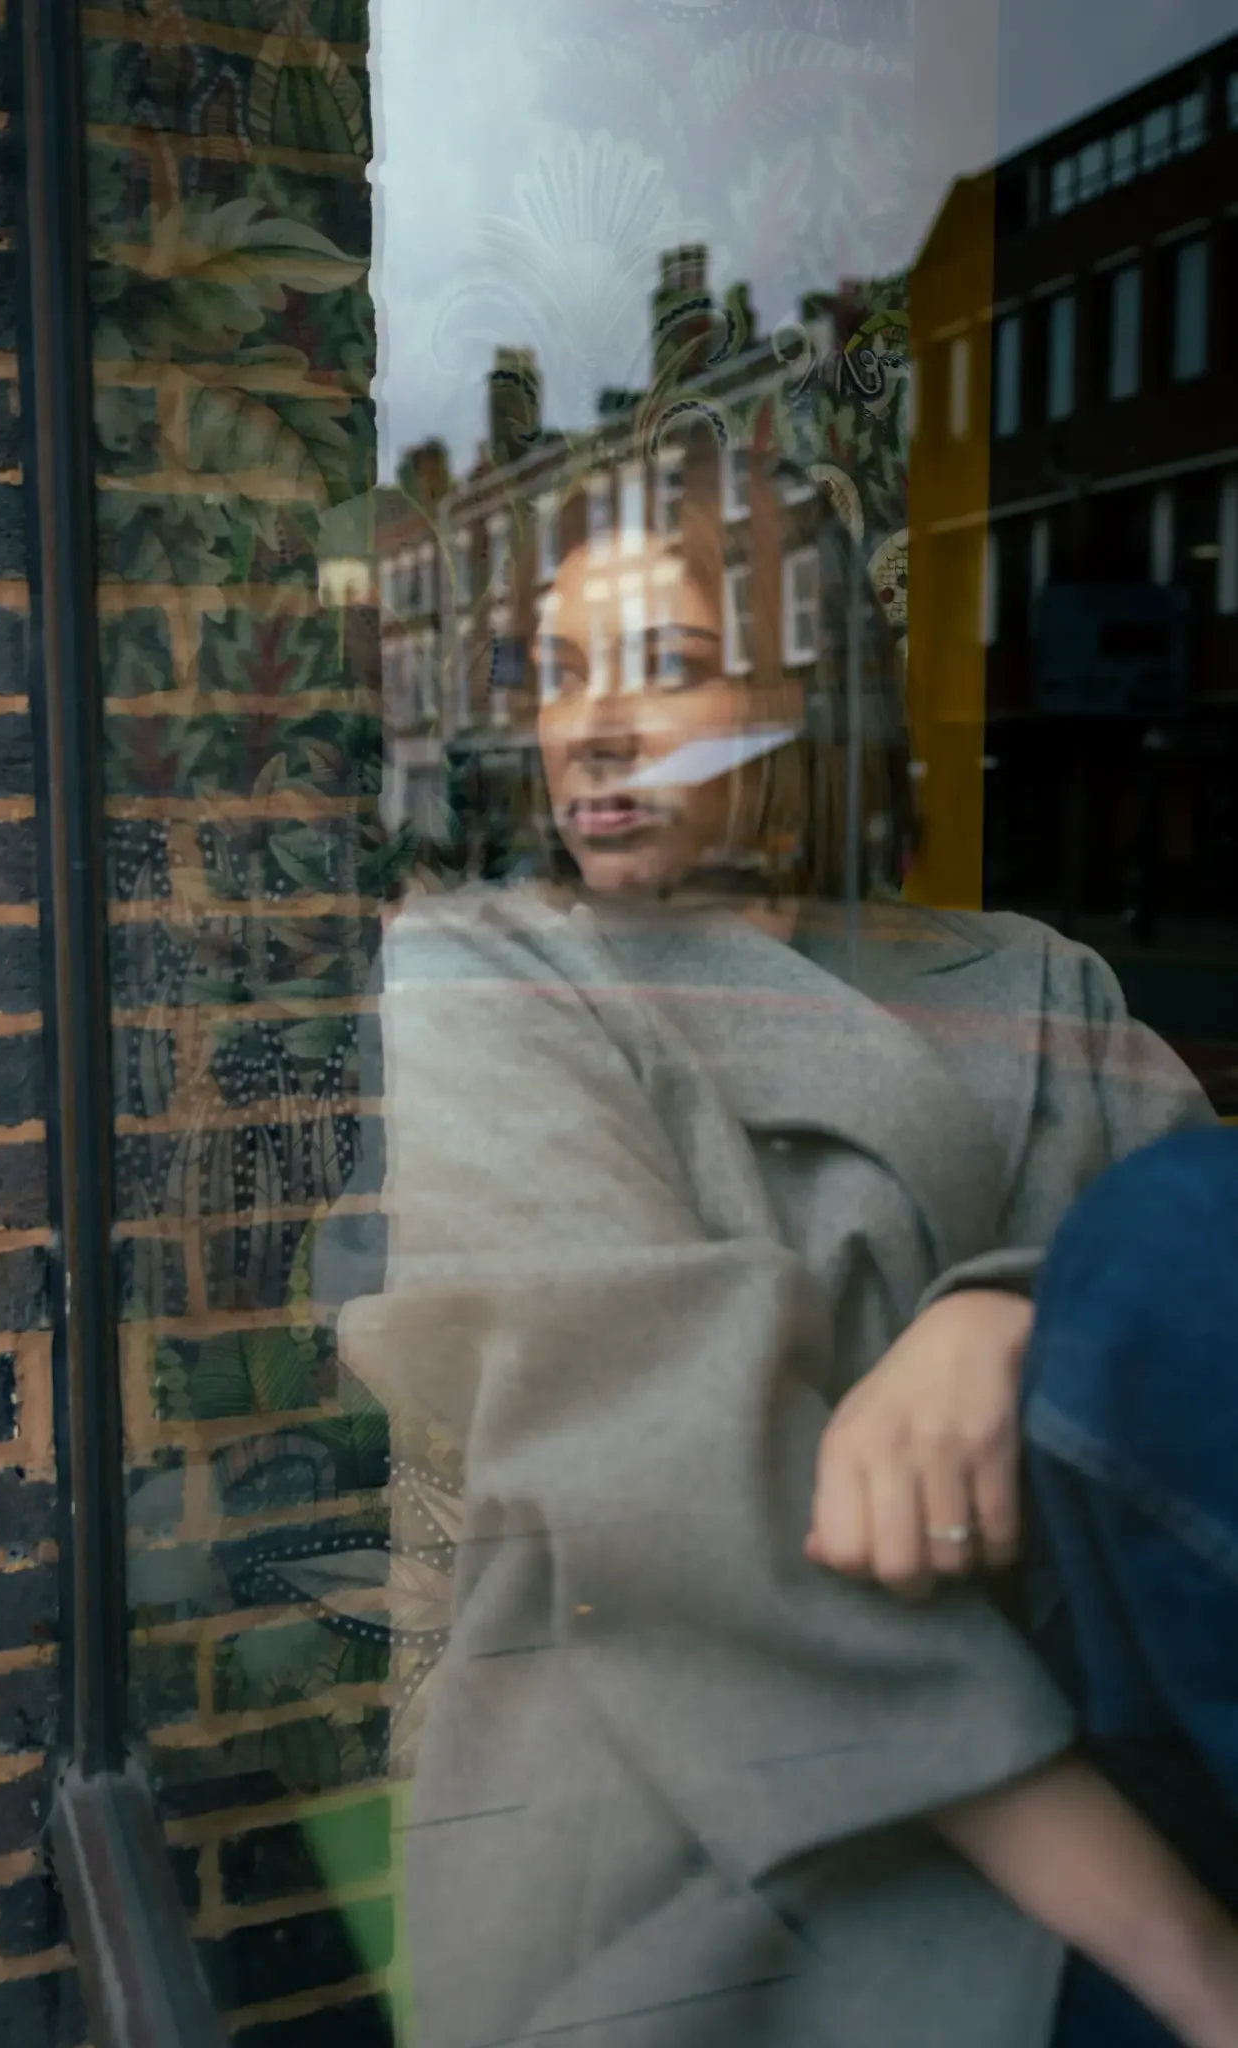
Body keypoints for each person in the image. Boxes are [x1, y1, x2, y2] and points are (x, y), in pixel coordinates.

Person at [322, 467, 1238, 2048]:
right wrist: (1202, 1965)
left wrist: (1005, 1315)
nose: (590, 728)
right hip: (741, 1854)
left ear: (805, 704)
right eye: (558, 675)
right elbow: (686, 1498)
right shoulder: (485, 975)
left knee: (1178, 1232)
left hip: (1139, 1741)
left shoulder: (1032, 977)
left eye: (665, 666)